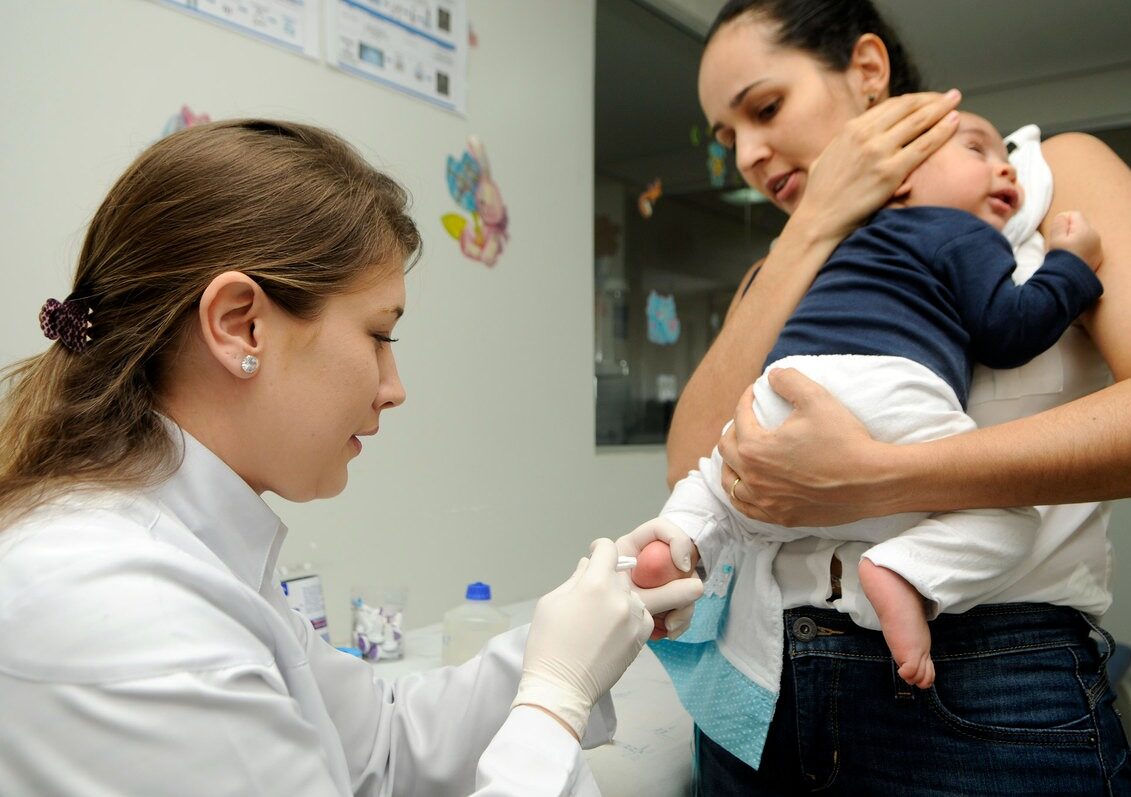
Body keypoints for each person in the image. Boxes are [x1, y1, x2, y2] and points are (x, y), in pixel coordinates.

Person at [0, 119, 703, 795]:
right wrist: (552, 699)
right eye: (377, 335)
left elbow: (383, 747)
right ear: (239, 323)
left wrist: (571, 640)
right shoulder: (128, 613)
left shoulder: (184, 550)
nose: (394, 389)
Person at [659, 0, 1131, 792]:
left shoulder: (1041, 178)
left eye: (764, 109)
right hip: (759, 685)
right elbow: (690, 465)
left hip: (988, 683)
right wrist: (809, 226)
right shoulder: (776, 268)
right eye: (726, 138)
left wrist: (875, 474)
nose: (746, 154)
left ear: (868, 70)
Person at [651, 109, 1102, 705]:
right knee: (1012, 516)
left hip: (782, 389)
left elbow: (698, 450)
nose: (1004, 167)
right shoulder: (963, 231)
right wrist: (1071, 264)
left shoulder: (821, 257)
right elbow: (1010, 329)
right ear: (902, 181)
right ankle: (907, 571)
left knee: (715, 485)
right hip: (891, 390)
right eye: (977, 150)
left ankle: (677, 539)